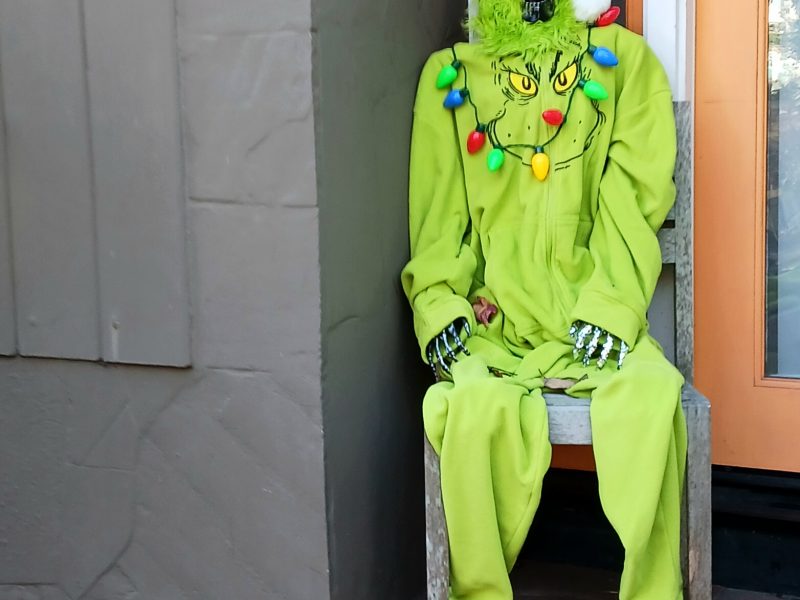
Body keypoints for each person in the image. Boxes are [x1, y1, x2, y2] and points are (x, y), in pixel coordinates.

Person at [400, 1, 688, 598]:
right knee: (473, 406)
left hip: (590, 319)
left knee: (651, 393)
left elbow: (632, 201)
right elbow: (439, 218)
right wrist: (442, 304)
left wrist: (609, 305)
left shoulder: (621, 66)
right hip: (495, 324)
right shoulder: (451, 77)